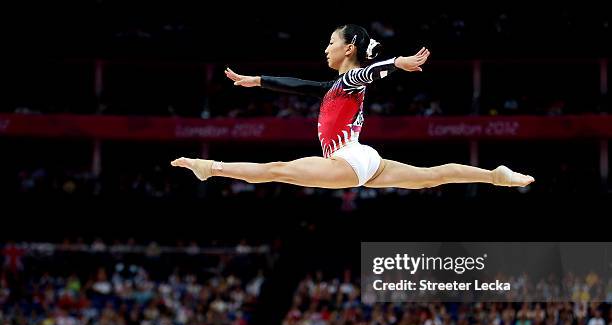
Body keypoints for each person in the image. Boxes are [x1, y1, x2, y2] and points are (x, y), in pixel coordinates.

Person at [172, 24, 534, 189]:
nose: (325, 48)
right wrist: (259, 80)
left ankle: (211, 167)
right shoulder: (334, 87)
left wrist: (396, 63)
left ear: (348, 49)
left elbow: (369, 73)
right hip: (364, 159)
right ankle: (494, 176)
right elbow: (302, 86)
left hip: (347, 159)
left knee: (278, 169)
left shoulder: (350, 80)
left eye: (331, 42)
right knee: (432, 177)